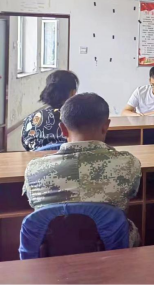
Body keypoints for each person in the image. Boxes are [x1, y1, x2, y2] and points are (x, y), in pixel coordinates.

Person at [23, 93, 142, 247]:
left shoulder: (34, 169)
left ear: (62, 129)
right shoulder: (128, 163)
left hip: (51, 252)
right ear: (106, 126)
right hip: (111, 249)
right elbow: (131, 193)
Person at [22, 70, 79, 151]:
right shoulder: (81, 119)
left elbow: (26, 146)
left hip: (37, 159)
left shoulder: (30, 120)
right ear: (73, 93)